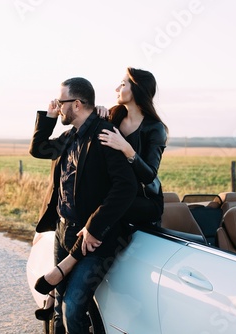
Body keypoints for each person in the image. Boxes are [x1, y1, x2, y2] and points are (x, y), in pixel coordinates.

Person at [33, 67, 168, 314]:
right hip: (114, 200)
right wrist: (80, 112)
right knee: (90, 220)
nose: (117, 88)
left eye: (123, 84)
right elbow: (87, 124)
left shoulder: (154, 128)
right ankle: (56, 291)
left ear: (136, 89)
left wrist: (127, 149)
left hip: (140, 201)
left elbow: (148, 175)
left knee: (95, 225)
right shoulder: (113, 117)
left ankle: (61, 272)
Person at [29, 77, 138, 333]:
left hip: (93, 239)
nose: (57, 105)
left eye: (61, 101)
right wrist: (49, 116)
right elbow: (38, 148)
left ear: (76, 104)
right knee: (59, 307)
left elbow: (126, 187)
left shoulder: (105, 135)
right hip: (62, 231)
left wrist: (94, 226)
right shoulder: (68, 136)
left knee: (73, 309)